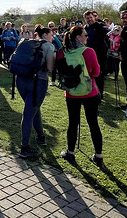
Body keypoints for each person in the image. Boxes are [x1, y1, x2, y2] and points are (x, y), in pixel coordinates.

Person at [57, 25, 104, 167]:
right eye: (85, 35)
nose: (87, 37)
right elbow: (96, 72)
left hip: (71, 93)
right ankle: (98, 156)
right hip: (90, 91)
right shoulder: (88, 51)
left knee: (73, 123)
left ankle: (70, 153)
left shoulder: (62, 51)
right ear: (78, 37)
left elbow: (58, 69)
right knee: (93, 124)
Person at [17, 25, 56, 158]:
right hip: (37, 81)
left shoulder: (27, 42)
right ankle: (24, 147)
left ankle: (41, 136)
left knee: (33, 108)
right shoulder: (49, 46)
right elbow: (50, 68)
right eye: (51, 35)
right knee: (29, 112)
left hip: (21, 80)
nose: (53, 37)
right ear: (44, 35)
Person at [84, 10, 109, 96]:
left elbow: (106, 30)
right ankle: (91, 92)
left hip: (100, 54)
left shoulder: (100, 26)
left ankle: (100, 94)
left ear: (94, 17)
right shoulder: (85, 28)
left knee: (99, 75)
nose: (89, 19)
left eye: (91, 17)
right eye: (87, 18)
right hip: (89, 54)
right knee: (89, 74)